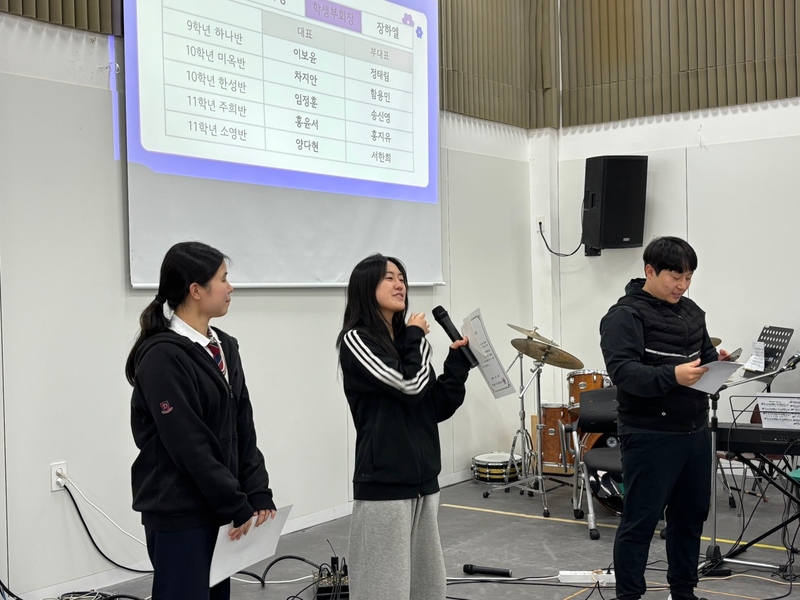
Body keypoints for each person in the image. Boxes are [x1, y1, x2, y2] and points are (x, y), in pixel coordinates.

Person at [125, 241, 276, 600]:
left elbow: (242, 426)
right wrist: (235, 502)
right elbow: (188, 444)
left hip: (217, 507)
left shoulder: (225, 347)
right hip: (180, 512)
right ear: (196, 290)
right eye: (223, 279)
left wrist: (257, 490)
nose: (230, 287)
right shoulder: (162, 356)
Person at [336, 254, 472, 600]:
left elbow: (432, 406)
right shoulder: (357, 340)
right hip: (384, 486)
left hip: (424, 484)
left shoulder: (406, 343)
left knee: (426, 589)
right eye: (389, 278)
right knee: (383, 590)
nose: (400, 285)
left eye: (402, 278)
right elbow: (409, 386)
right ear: (367, 286)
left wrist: (457, 366)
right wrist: (415, 337)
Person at [600, 236, 729, 600]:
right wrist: (673, 375)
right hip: (649, 433)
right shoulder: (624, 315)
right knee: (640, 521)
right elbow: (624, 373)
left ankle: (683, 592)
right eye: (675, 277)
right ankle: (629, 596)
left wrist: (717, 365)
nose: (682, 285)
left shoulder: (692, 312)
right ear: (650, 271)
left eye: (688, 277)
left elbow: (705, 357)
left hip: (694, 431)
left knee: (690, 517)